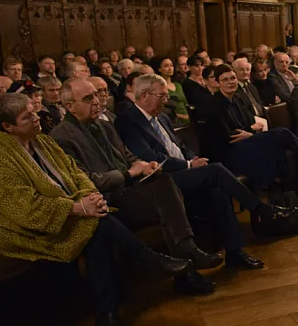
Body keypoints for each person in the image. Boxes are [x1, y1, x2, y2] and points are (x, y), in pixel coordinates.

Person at [0, 93, 191, 326]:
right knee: (97, 225)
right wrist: (77, 208)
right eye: (28, 116)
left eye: (34, 112)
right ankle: (146, 262)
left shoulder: (42, 142)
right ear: (8, 127)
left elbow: (75, 174)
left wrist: (90, 198)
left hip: (65, 211)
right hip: (16, 229)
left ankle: (108, 313)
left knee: (97, 229)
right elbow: (21, 208)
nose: (37, 118)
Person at [51, 78, 222, 296]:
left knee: (163, 182)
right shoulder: (60, 136)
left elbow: (126, 154)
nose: (96, 101)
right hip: (104, 202)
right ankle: (187, 263)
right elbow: (84, 180)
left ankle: (186, 259)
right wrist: (127, 173)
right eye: (88, 98)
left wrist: (141, 165)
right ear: (69, 106)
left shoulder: (103, 125)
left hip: (128, 190)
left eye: (96, 95)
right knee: (167, 198)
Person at [116, 74, 283, 267]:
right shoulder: (128, 121)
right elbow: (148, 156)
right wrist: (188, 165)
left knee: (217, 189)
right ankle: (261, 208)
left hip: (183, 171)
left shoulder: (162, 117)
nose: (166, 100)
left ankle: (235, 252)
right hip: (163, 180)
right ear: (144, 95)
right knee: (216, 171)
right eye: (161, 96)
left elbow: (178, 146)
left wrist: (192, 158)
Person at [207, 64, 298, 195]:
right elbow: (227, 135)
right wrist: (249, 130)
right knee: (282, 133)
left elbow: (252, 123)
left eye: (232, 78)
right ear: (218, 83)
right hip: (232, 151)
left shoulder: (238, 99)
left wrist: (248, 131)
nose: (230, 82)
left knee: (284, 154)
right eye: (225, 80)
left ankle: (290, 201)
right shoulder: (214, 105)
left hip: (249, 141)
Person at [151, 58, 190, 127]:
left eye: (171, 66)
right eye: (166, 66)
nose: (170, 68)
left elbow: (185, 103)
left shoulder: (178, 85)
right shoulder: (159, 87)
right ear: (159, 69)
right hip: (175, 121)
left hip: (188, 119)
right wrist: (181, 116)